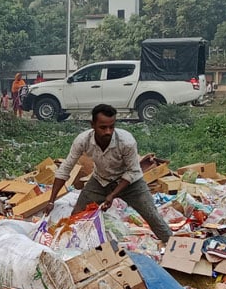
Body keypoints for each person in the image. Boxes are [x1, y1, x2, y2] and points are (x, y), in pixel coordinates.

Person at [44, 104, 173, 244]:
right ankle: (74, 247)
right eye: (103, 127)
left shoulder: (126, 141)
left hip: (131, 183)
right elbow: (65, 168)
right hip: (100, 180)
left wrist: (112, 195)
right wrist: (51, 201)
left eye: (111, 127)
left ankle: (176, 248)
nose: (108, 132)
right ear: (92, 125)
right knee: (77, 216)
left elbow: (133, 171)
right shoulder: (82, 140)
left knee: (152, 216)